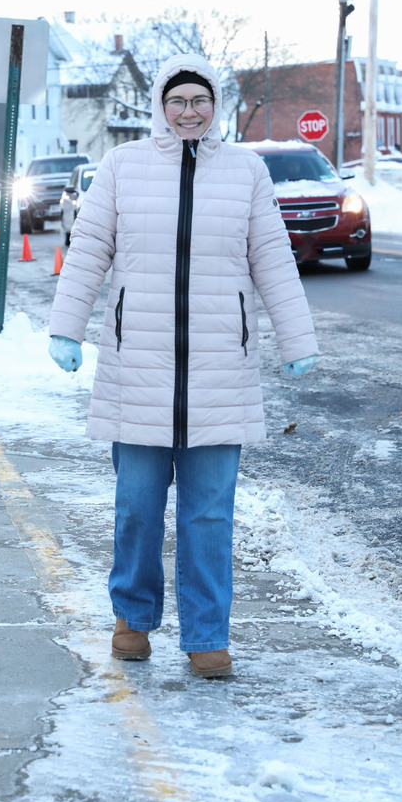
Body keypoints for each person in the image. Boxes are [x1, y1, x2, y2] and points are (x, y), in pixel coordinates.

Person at [48, 53, 318, 678]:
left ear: (215, 105)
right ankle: (132, 619)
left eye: (199, 101)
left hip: (222, 372)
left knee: (209, 516)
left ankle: (206, 636)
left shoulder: (246, 171)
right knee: (136, 509)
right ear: (160, 107)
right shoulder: (123, 166)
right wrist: (65, 328)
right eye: (178, 101)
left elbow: (272, 259)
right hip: (136, 370)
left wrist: (297, 338)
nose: (188, 111)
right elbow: (88, 250)